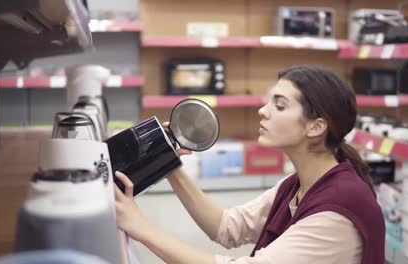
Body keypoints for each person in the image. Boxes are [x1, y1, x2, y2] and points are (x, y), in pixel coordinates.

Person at [114, 65, 386, 264]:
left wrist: (141, 227)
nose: (263, 110)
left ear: (316, 127)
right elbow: (227, 227)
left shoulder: (337, 210)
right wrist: (169, 161)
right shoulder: (298, 184)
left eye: (279, 106)